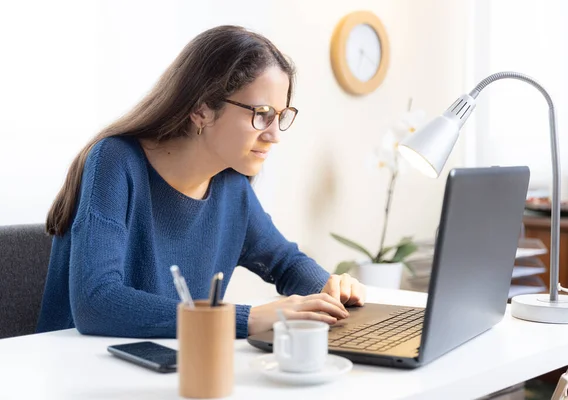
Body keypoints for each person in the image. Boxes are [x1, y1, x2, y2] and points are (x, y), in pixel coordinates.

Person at [36, 25, 365, 339]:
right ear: (202, 110)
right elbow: (97, 303)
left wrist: (329, 289)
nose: (274, 135)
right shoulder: (115, 161)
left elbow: (285, 263)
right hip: (81, 369)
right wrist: (246, 318)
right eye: (262, 113)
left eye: (281, 116)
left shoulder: (230, 184)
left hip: (173, 365)